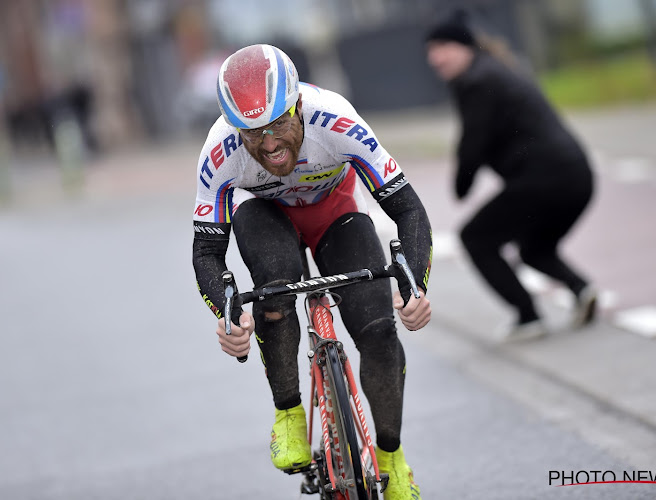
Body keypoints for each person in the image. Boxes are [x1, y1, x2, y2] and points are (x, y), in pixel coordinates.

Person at [191, 44, 432, 499]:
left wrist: (414, 283)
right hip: (264, 217)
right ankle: (288, 415)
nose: (269, 144)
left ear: (299, 106)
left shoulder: (335, 120)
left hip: (334, 213)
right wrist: (227, 315)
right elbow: (207, 251)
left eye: (280, 124)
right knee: (274, 292)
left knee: (379, 330)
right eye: (252, 132)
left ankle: (392, 458)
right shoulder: (219, 152)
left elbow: (407, 208)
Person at [425, 11, 597, 341]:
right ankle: (581, 289)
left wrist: (462, 184)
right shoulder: (494, 70)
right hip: (577, 177)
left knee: (475, 238)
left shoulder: (476, 80)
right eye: (431, 49)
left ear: (467, 47)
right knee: (534, 249)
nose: (435, 57)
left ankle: (527, 316)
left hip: (544, 180)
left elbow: (472, 141)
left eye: (444, 46)